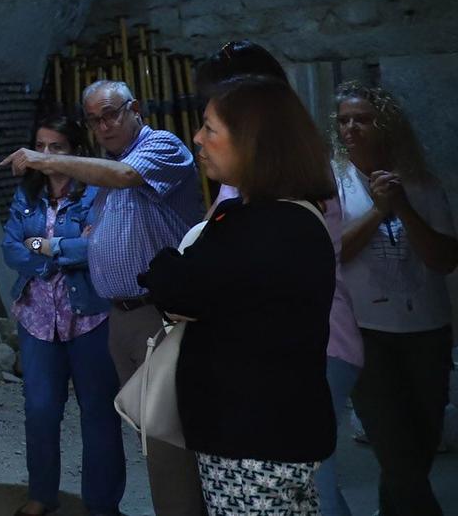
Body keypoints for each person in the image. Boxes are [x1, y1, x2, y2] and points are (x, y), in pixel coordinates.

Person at [2, 79, 205, 516]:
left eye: (110, 114)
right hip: (113, 313)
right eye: (95, 119)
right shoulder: (77, 180)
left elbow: (118, 187)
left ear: (135, 108)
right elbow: (17, 246)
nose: (104, 125)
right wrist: (64, 247)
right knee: (143, 430)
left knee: (161, 431)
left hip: (151, 310)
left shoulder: (155, 149)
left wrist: (51, 245)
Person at [140, 76, 338, 515]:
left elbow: (177, 288)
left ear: (253, 141)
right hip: (269, 431)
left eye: (210, 128)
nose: (196, 138)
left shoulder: (265, 228)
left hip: (253, 439)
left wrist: (166, 262)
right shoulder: (285, 218)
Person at [194, 41, 363, 516]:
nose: (199, 137)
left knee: (306, 485)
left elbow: (204, 272)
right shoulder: (261, 179)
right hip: (288, 349)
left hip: (310, 347)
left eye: (212, 123)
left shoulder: (279, 194)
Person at [334, 81, 457, 516]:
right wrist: (377, 210)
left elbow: (444, 259)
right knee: (393, 448)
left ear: (385, 124)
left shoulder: (421, 183)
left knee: (420, 446)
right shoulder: (336, 183)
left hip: (427, 331)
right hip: (368, 334)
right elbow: (332, 252)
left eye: (362, 119)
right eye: (344, 120)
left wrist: (402, 205)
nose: (351, 127)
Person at [0, 111, 126, 516]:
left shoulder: (94, 193)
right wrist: (61, 249)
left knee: (98, 412)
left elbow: (98, 247)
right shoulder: (28, 194)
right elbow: (9, 248)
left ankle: (102, 504)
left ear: (74, 152)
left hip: (88, 313)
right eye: (40, 147)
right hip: (37, 316)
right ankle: (41, 495)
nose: (45, 155)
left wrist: (44, 245)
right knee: (39, 410)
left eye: (56, 148)